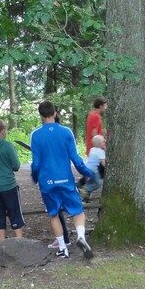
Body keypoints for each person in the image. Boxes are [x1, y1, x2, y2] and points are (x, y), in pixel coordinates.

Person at [31, 100, 96, 259]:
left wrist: (35, 177)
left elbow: (36, 163)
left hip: (47, 182)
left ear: (41, 115)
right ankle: (80, 236)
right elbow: (76, 158)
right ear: (55, 113)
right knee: (78, 212)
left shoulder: (36, 135)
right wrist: (87, 172)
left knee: (54, 214)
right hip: (65, 180)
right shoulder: (66, 132)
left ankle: (62, 248)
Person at [79, 134, 106, 200]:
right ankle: (85, 189)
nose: (105, 142)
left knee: (90, 182)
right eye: (103, 141)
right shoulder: (101, 152)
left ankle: (85, 197)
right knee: (98, 183)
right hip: (93, 170)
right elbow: (103, 164)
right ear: (100, 144)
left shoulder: (92, 149)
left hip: (87, 168)